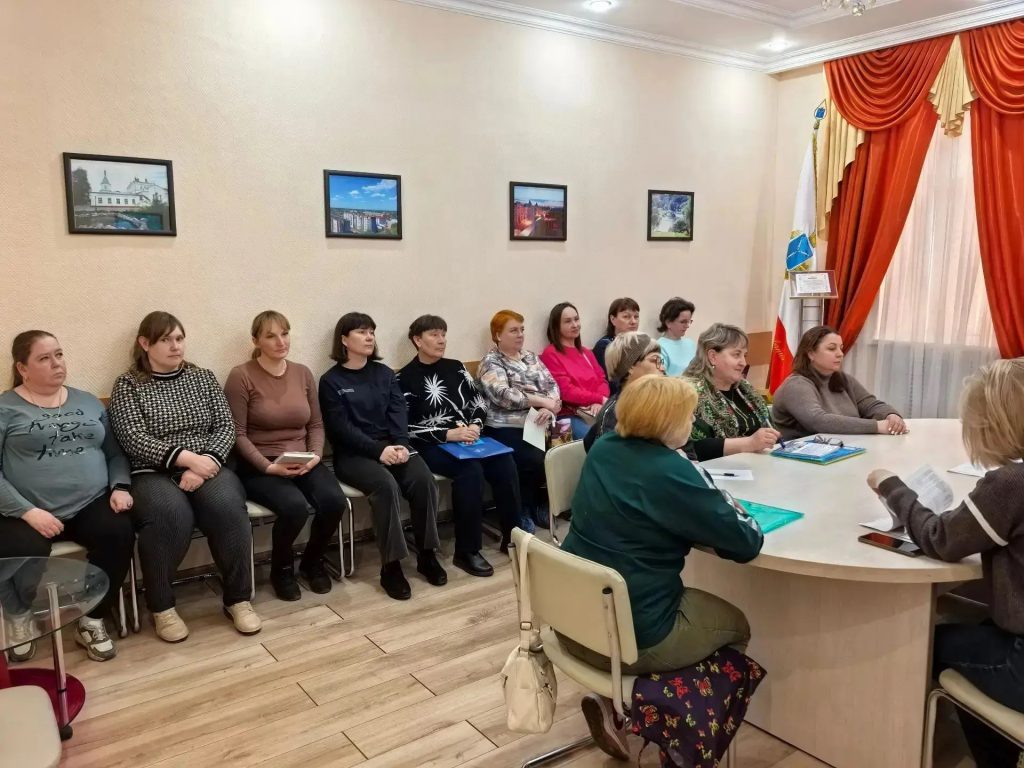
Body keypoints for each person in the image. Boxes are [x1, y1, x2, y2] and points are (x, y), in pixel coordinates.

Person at [561, 374, 764, 759]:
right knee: (736, 626)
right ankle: (676, 732)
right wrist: (721, 497)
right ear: (668, 422)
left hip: (572, 619)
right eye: (689, 415)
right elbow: (746, 542)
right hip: (632, 635)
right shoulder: (671, 471)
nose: (693, 421)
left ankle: (617, 703)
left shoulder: (604, 448)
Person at [868, 358, 1024, 768]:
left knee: (921, 645)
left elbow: (942, 538)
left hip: (1021, 665)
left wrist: (891, 486)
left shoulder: (1011, 483)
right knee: (970, 621)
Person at [109, 312, 261, 643]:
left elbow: (226, 426)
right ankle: (162, 607)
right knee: (170, 515)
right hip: (152, 471)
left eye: (179, 338)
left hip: (208, 466)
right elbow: (132, 437)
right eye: (166, 340)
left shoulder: (202, 378)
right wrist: (187, 459)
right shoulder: (129, 384)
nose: (175, 346)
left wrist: (205, 463)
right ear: (145, 343)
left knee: (227, 508)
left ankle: (238, 599)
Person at [0, 331, 135, 662]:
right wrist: (27, 511)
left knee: (119, 532)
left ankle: (92, 619)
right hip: (26, 511)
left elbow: (114, 453)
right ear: (22, 368)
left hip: (90, 502)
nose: (56, 363)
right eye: (44, 358)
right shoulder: (5, 408)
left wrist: (120, 487)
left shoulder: (87, 401)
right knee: (22, 549)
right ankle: (18, 613)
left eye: (59, 354)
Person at [319, 312, 446, 601]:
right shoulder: (331, 381)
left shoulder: (385, 374)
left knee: (424, 480)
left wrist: (400, 444)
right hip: (354, 455)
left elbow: (398, 411)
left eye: (372, 332)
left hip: (394, 446)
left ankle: (427, 554)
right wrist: (378, 451)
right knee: (385, 486)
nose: (369, 337)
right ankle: (391, 567)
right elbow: (340, 429)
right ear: (344, 340)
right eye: (361, 332)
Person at [224, 311, 345, 602]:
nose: (281, 342)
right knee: (294, 508)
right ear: (256, 341)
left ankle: (312, 562)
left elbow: (315, 424)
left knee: (334, 501)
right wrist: (268, 467)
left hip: (303, 457)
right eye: (271, 336)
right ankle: (282, 569)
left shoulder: (302, 373)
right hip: (259, 463)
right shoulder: (241, 376)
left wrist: (315, 455)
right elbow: (237, 434)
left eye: (285, 333)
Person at [398, 315, 521, 574]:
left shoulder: (455, 367)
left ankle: (513, 537)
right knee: (470, 471)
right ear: (417, 340)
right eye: (434, 334)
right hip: (432, 444)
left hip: (469, 436)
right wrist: (448, 434)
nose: (441, 340)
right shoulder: (404, 378)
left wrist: (475, 424)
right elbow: (405, 428)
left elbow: (478, 401)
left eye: (443, 334)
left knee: (505, 462)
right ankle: (467, 551)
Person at [477, 310, 561, 533]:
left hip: (539, 421)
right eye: (513, 330)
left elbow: (552, 385)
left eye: (522, 329)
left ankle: (542, 504)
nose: (520, 334)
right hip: (505, 425)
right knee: (533, 457)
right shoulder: (491, 361)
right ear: (498, 335)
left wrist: (549, 406)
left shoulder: (530, 357)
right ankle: (522, 508)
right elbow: (503, 395)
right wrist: (541, 401)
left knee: (560, 451)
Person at [772, 325, 907, 442]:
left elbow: (871, 405)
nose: (840, 354)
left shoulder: (843, 379)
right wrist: (877, 426)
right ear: (811, 353)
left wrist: (890, 415)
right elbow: (818, 421)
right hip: (803, 456)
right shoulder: (796, 385)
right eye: (832, 349)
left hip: (846, 447)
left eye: (841, 348)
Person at [683, 323, 779, 461]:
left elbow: (769, 426)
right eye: (736, 354)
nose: (743, 363)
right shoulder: (690, 393)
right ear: (713, 356)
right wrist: (749, 443)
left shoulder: (745, 388)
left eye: (745, 355)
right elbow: (692, 448)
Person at [583, 331, 664, 453]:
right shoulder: (613, 413)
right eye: (654, 360)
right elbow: (609, 459)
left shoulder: (659, 401)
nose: (662, 368)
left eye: (661, 361)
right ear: (631, 366)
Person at [539, 302, 609, 441]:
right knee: (598, 442)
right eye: (568, 321)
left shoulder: (586, 352)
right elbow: (566, 392)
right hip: (567, 416)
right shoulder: (551, 353)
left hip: (596, 410)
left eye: (576, 319)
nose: (575, 324)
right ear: (556, 326)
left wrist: (599, 401)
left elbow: (602, 380)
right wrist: (598, 398)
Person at [592, 297, 640, 382]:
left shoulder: (640, 344)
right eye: (626, 317)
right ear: (613, 319)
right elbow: (611, 382)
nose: (633, 321)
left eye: (636, 317)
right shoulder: (605, 346)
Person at [657, 297, 697, 376]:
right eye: (683, 322)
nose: (687, 326)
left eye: (689, 321)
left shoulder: (690, 344)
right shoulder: (658, 347)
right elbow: (660, 377)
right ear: (668, 323)